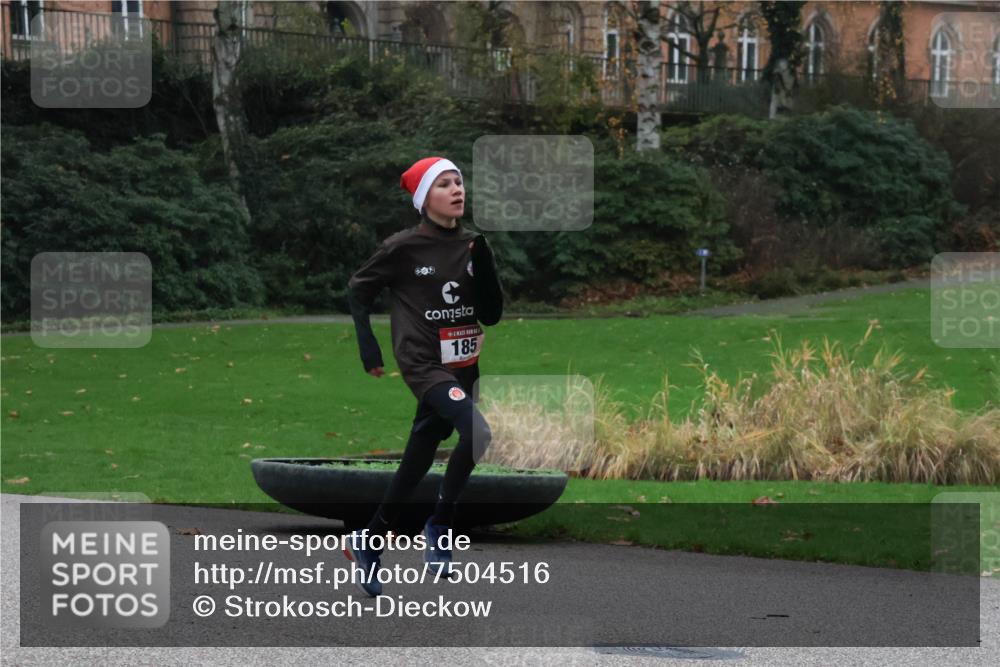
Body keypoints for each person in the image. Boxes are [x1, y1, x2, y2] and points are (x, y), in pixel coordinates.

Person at [342, 156, 504, 597]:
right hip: (423, 363)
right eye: (444, 184)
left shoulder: (473, 244)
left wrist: (485, 264)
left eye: (459, 182)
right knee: (478, 432)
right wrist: (369, 348)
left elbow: (492, 315)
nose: (457, 190)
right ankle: (440, 523)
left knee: (416, 459)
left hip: (463, 364)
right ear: (424, 198)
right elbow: (358, 290)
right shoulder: (403, 247)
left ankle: (369, 539)